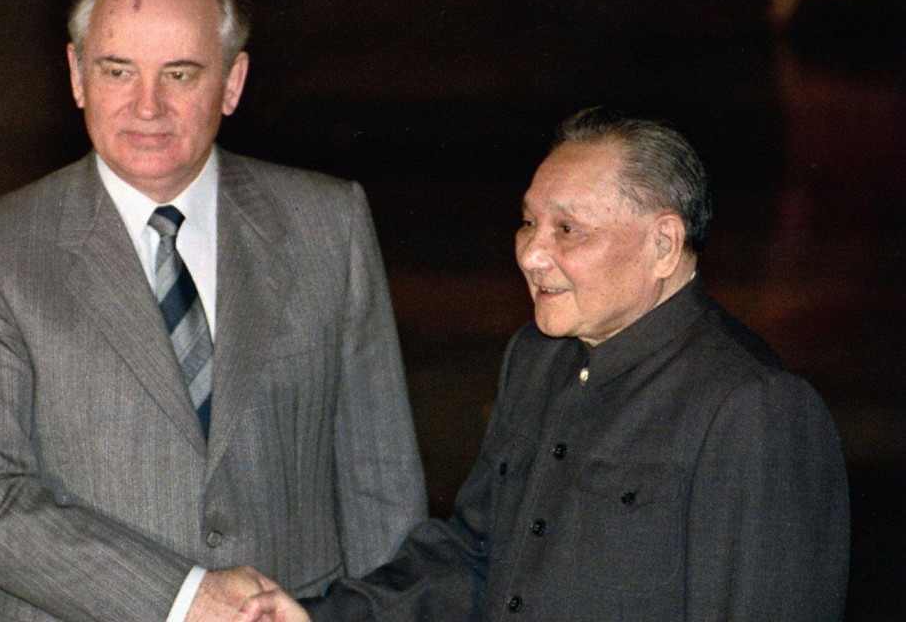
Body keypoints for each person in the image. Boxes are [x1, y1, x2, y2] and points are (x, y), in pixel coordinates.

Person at [0, 0, 426, 622]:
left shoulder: (327, 223)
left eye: (181, 74)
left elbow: (382, 482)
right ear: (77, 75)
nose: (147, 106)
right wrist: (184, 597)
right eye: (117, 70)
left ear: (232, 81)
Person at [235, 107, 851, 621]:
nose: (532, 254)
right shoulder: (537, 358)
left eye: (568, 229)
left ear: (663, 244)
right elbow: (474, 556)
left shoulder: (753, 407)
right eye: (529, 222)